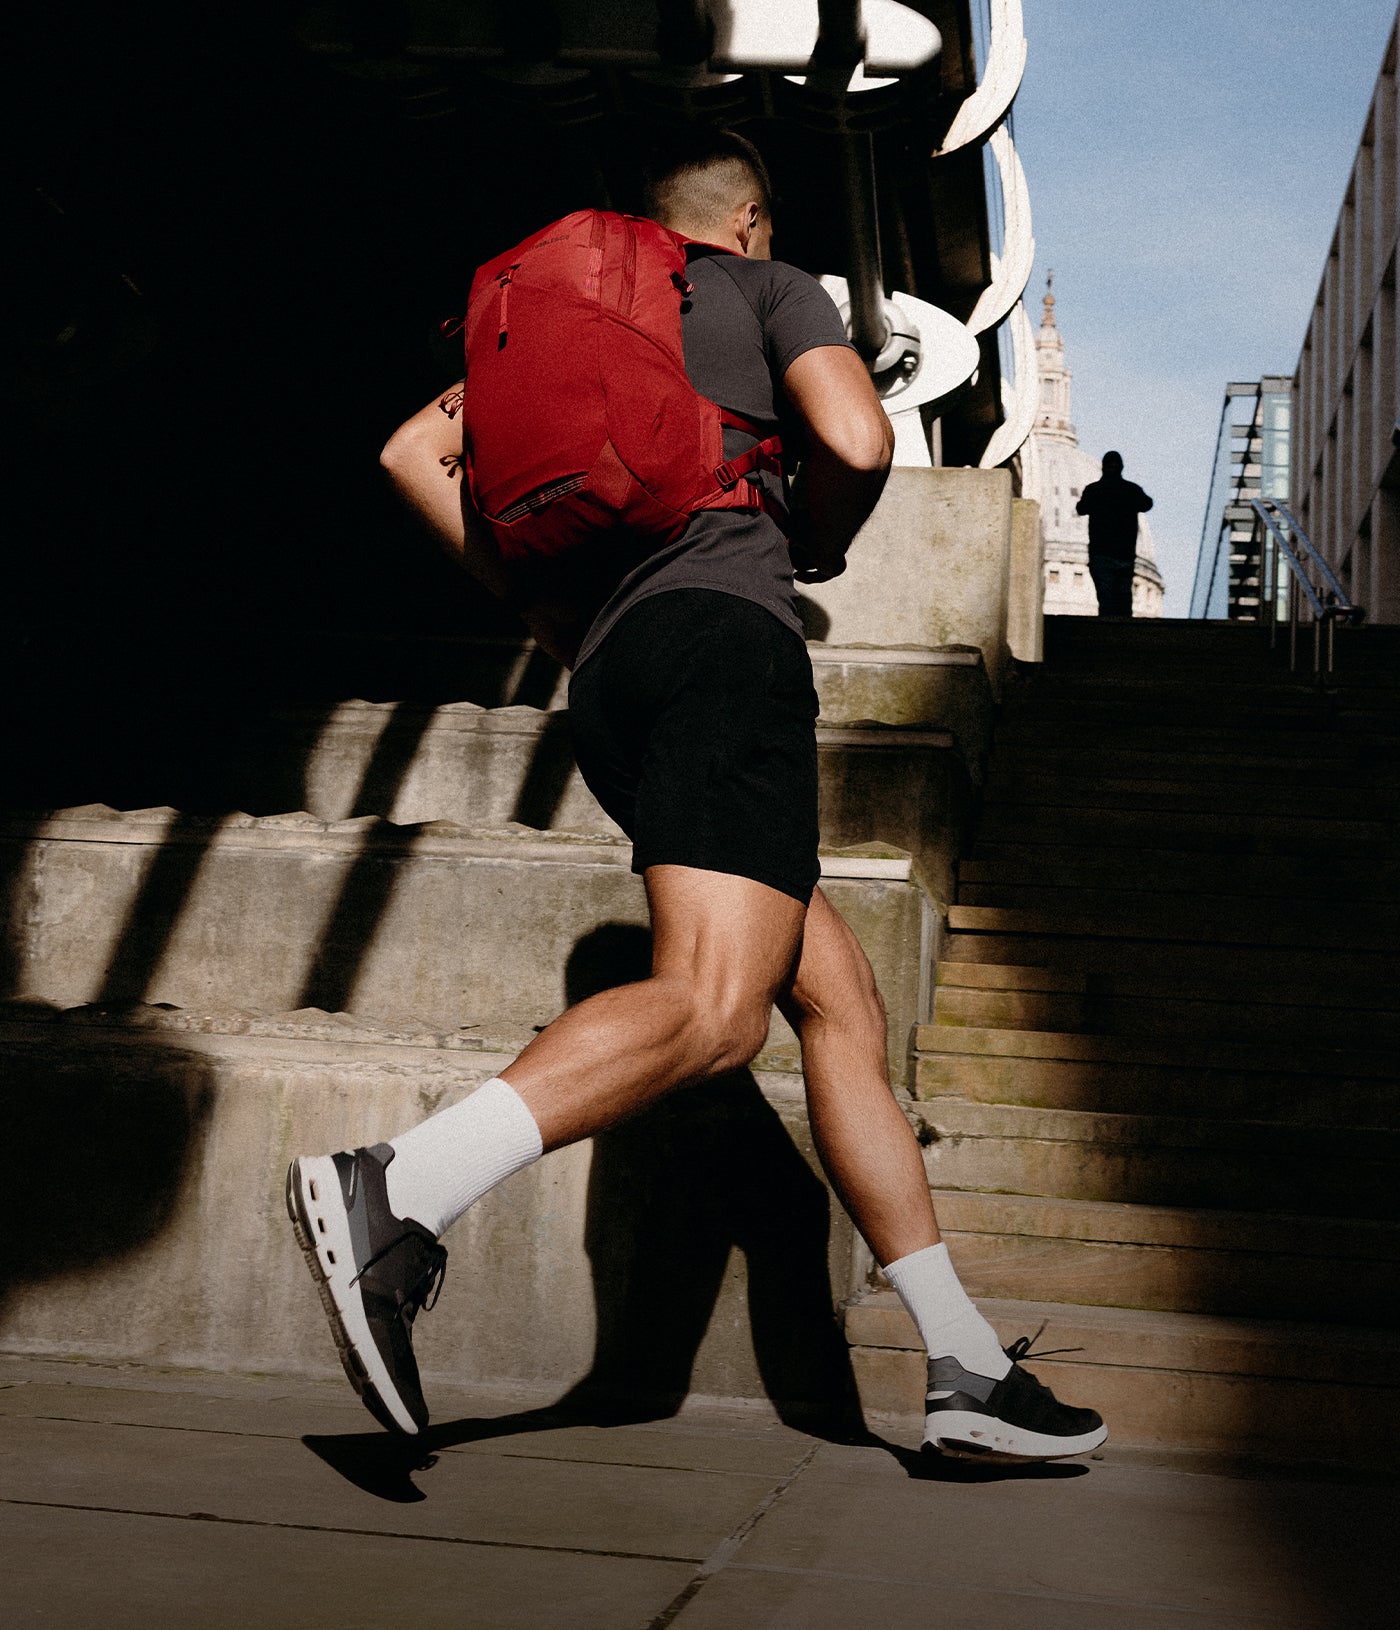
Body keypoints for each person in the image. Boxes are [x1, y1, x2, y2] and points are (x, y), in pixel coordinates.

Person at [284, 130, 1106, 1464]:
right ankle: (394, 1192)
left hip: (614, 684)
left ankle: (962, 1369)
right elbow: (854, 431)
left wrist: (554, 614)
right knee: (720, 1015)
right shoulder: (760, 287)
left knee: (839, 1003)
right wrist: (815, 535)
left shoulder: (557, 322)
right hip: (727, 657)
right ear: (753, 221)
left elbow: (404, 455)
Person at [1075, 451, 1152, 617]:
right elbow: (1147, 504)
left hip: (1101, 552)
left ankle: (1109, 629)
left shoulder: (1094, 490)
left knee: (1106, 597)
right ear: (1122, 468)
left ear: (1102, 468)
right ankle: (1122, 631)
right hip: (1124, 553)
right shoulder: (1131, 490)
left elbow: (1081, 508)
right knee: (1123, 596)